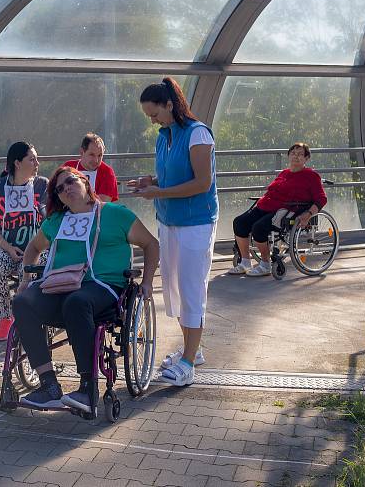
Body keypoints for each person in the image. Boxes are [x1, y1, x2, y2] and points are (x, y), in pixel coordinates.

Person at [13, 166, 158, 413]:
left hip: (102, 288)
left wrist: (146, 282)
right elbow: (33, 248)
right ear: (58, 198)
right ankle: (49, 385)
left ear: (84, 182)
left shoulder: (115, 214)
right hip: (61, 286)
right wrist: (26, 279)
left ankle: (87, 389)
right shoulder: (56, 221)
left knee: (77, 301)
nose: (66, 189)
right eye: (59, 188)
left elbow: (151, 244)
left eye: (70, 181)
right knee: (22, 301)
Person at [128, 77, 218, 387]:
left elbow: (201, 183)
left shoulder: (198, 134)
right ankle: (193, 349)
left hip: (196, 224)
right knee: (177, 291)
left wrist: (158, 193)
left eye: (155, 114)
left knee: (192, 290)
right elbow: (171, 175)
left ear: (170, 105)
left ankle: (189, 362)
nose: (152, 121)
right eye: (148, 116)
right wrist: (149, 182)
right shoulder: (165, 135)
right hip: (168, 222)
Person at [0, 142, 48, 341]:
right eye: (32, 159)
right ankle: (7, 317)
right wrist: (8, 248)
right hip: (7, 245)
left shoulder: (42, 185)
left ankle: (28, 318)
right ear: (17, 163)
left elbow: (52, 218)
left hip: (35, 247)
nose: (37, 163)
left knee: (30, 270)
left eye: (36, 159)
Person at [229, 143, 327, 276]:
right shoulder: (284, 173)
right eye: (293, 153)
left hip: (287, 210)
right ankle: (245, 262)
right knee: (239, 222)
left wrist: (309, 214)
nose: (296, 157)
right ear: (288, 156)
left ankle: (265, 264)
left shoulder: (311, 176)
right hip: (266, 206)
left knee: (259, 228)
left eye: (300, 154)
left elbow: (321, 198)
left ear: (306, 158)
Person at [62, 133, 119, 202]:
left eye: (100, 155)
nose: (96, 160)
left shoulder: (107, 172)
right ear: (82, 152)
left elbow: (102, 205)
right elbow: (58, 194)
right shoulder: (68, 167)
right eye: (92, 155)